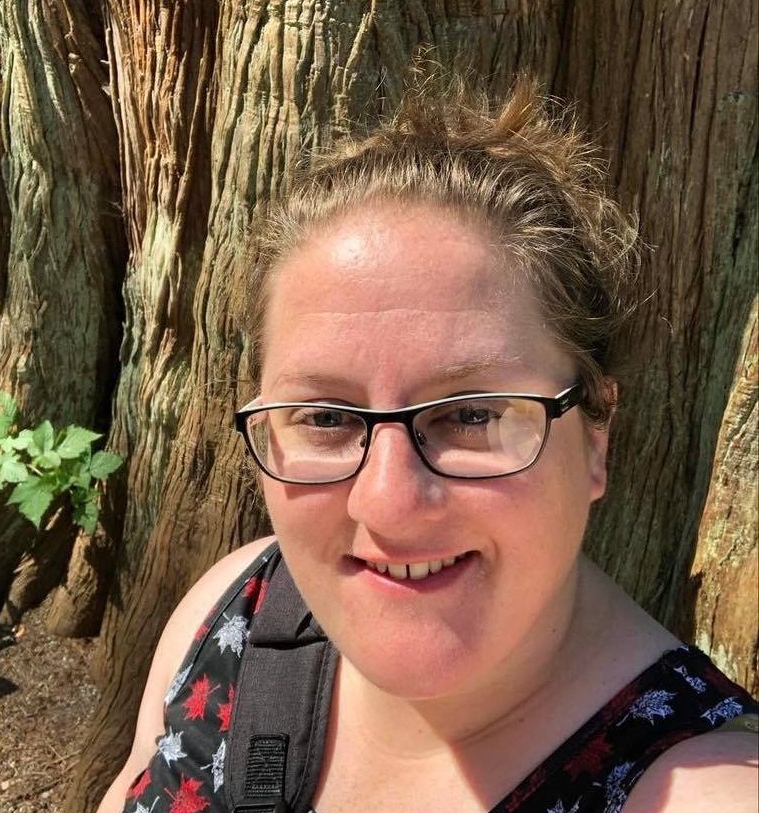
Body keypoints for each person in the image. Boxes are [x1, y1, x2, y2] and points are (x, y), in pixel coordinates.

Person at [99, 74, 758, 813]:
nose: (388, 503)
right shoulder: (233, 614)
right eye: (325, 417)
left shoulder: (705, 791)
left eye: (471, 414)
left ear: (596, 434)